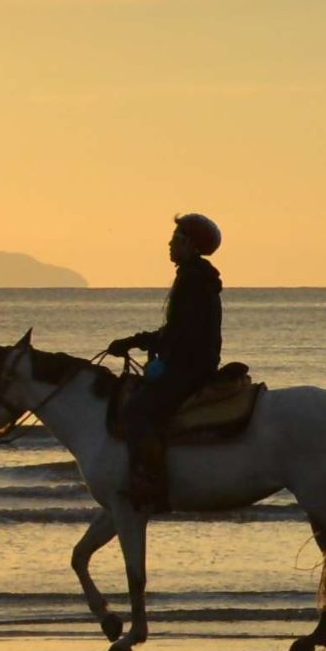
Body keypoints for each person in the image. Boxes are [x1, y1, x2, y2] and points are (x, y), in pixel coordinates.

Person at [105, 212, 225, 514]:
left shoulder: (192, 280)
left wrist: (135, 341)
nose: (170, 244)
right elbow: (178, 330)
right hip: (194, 361)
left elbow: (181, 331)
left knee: (136, 411)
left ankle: (150, 482)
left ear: (191, 245)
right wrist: (143, 342)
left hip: (190, 365)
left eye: (176, 239)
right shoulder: (196, 277)